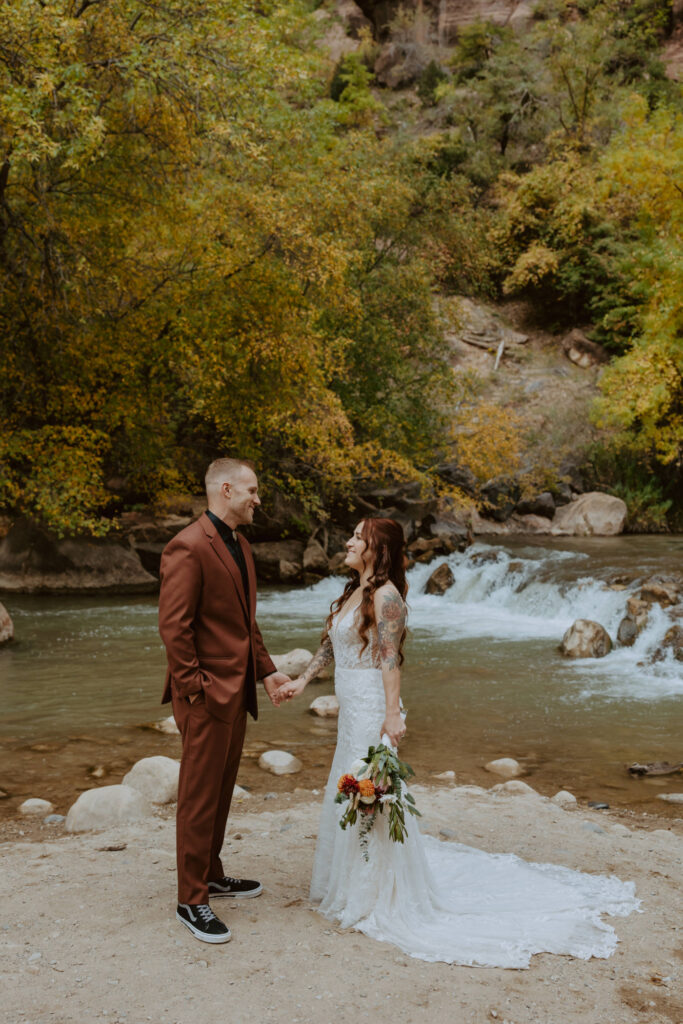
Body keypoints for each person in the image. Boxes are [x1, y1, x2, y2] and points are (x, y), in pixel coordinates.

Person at [277, 518, 640, 967]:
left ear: (378, 547)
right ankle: (348, 882)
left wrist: (392, 714)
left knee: (370, 790)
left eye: (357, 536)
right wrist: (302, 679)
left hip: (371, 706)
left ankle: (373, 892)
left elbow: (390, 662)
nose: (348, 541)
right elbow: (333, 643)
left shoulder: (388, 597)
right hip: (350, 709)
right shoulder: (355, 589)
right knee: (347, 785)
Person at [158, 458, 290, 944]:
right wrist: (194, 688)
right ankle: (191, 900)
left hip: (238, 691)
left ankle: (211, 874)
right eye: (253, 490)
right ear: (227, 489)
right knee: (197, 796)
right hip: (206, 694)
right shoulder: (188, 546)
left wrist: (269, 671)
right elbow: (175, 627)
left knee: (221, 789)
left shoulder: (241, 545)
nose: (258, 499)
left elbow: (244, 623)